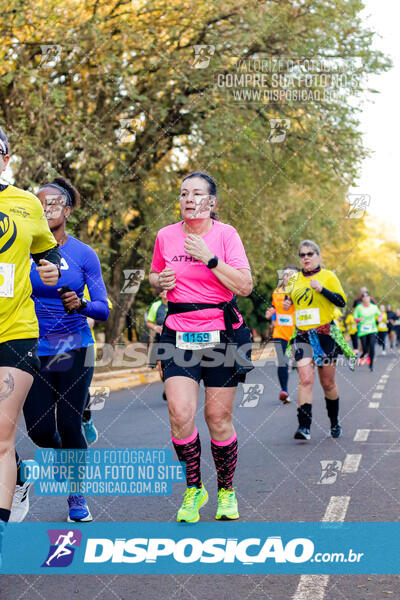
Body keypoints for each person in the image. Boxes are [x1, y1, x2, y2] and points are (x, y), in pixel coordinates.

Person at [149, 171, 253, 523]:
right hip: (178, 332)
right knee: (179, 415)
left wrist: (210, 258)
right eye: (183, 193)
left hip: (221, 334)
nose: (188, 199)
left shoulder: (226, 236)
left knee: (218, 418)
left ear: (212, 202)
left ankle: (226, 490)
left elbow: (245, 286)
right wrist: (157, 280)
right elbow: (153, 275)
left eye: (197, 194)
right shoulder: (165, 236)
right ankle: (194, 487)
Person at [11, 177, 109, 524]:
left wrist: (81, 304)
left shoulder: (84, 254)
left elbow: (103, 307)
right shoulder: (19, 249)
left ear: (68, 210)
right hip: (31, 347)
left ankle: (77, 499)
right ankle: (71, 447)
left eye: (54, 203)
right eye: (41, 203)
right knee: (39, 432)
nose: (47, 208)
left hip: (75, 347)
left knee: (69, 425)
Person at [0, 127, 60, 559]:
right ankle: (20, 475)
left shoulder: (25, 203)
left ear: (5, 157)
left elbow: (48, 253)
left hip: (16, 329)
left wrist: (53, 270)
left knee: (1, 432)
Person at [284, 240, 354, 441]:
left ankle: (334, 421)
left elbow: (341, 302)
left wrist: (322, 289)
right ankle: (304, 426)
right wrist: (288, 303)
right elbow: (290, 300)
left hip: (325, 336)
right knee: (305, 378)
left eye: (310, 254)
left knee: (328, 383)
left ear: (318, 256)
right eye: (302, 255)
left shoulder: (328, 276)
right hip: (302, 335)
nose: (306, 257)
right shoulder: (294, 279)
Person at [81, 289, 113, 444]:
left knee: (79, 387)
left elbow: (105, 306)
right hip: (47, 344)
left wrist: (93, 320)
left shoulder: (82, 273)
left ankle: (86, 419)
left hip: (83, 344)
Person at [265, 266, 298, 403]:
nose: (287, 277)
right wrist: (271, 313)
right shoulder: (277, 292)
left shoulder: (300, 292)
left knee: (303, 363)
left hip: (298, 333)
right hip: (280, 332)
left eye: (291, 275)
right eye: (285, 275)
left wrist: (292, 302)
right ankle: (284, 390)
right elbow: (275, 307)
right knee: (282, 361)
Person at [146, 290, 168, 400]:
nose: (164, 292)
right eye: (162, 290)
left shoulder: (177, 302)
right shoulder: (156, 306)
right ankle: (167, 386)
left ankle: (172, 387)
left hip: (175, 340)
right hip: (160, 339)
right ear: (159, 293)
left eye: (166, 289)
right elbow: (149, 322)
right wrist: (156, 328)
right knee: (161, 366)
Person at [353, 292, 382, 372]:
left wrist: (380, 318)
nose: (366, 298)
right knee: (365, 348)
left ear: (370, 298)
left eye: (367, 296)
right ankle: (363, 355)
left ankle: (371, 365)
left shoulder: (374, 307)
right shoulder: (359, 307)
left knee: (372, 348)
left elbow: (380, 315)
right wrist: (358, 319)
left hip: (372, 330)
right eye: (364, 296)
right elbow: (355, 317)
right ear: (362, 298)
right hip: (363, 331)